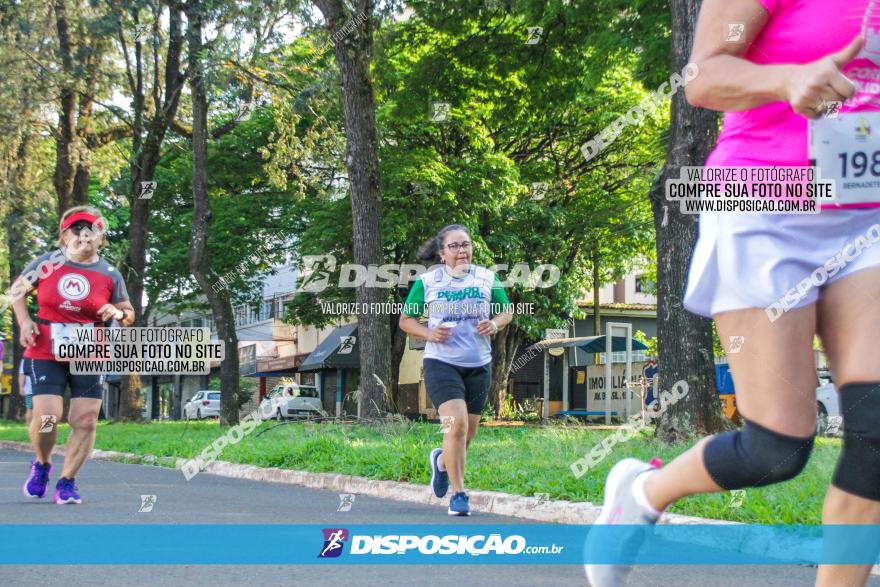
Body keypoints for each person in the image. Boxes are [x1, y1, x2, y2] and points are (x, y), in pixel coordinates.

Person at [586, 1, 880, 586]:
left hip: (866, 217)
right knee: (777, 450)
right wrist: (788, 78)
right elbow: (703, 76)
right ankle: (642, 492)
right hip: (765, 205)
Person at [13, 206, 135, 504]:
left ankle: (67, 481)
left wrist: (117, 311)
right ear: (64, 236)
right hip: (45, 348)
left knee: (86, 420)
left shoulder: (110, 273)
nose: (84, 235)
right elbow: (16, 291)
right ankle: (42, 463)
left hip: (89, 351)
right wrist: (25, 322)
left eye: (90, 229)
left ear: (100, 236)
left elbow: (128, 313)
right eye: (76, 230)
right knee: (47, 418)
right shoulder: (47, 264)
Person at [399, 224, 513, 516]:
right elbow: (405, 321)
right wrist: (429, 334)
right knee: (456, 425)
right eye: (454, 246)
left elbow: (507, 311)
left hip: (479, 365)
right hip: (441, 363)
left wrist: (495, 323)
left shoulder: (488, 278)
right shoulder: (428, 281)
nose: (461, 250)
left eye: (466, 244)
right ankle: (458, 494)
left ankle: (440, 462)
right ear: (441, 253)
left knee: (467, 436)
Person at [18, 359, 33, 426]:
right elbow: (22, 374)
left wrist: (21, 387)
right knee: (30, 408)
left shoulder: (25, 359)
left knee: (30, 408)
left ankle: (45, 433)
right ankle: (31, 431)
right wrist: (21, 387)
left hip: (44, 389)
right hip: (31, 389)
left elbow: (21, 374)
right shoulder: (26, 359)